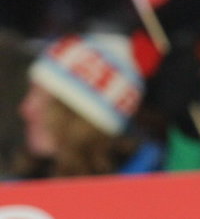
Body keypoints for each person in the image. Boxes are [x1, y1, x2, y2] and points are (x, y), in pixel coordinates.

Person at [11, 32, 163, 178]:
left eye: (44, 101)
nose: (25, 110)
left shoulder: (150, 189)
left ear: (82, 118)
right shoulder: (16, 189)